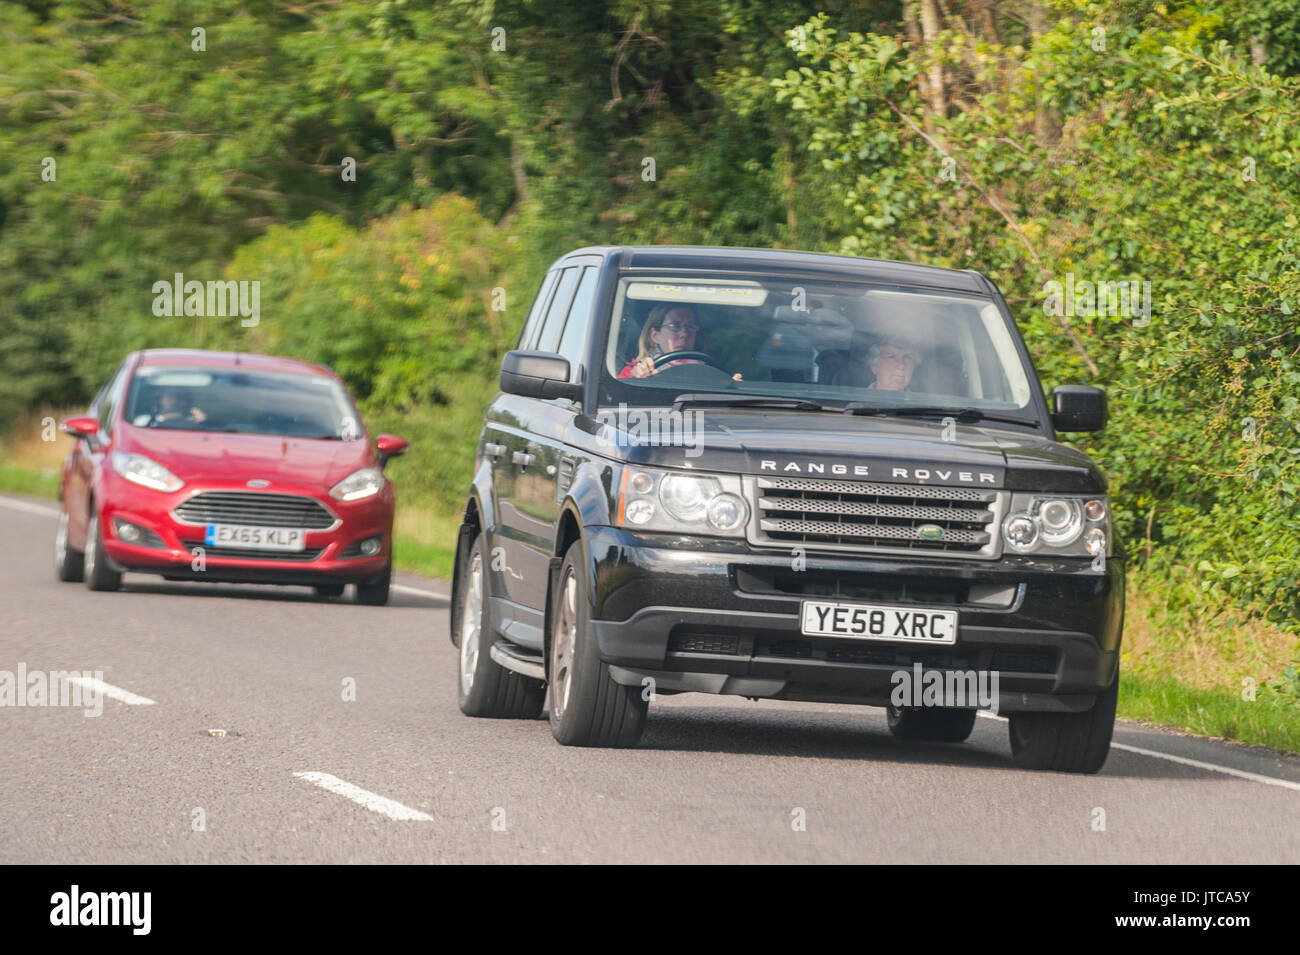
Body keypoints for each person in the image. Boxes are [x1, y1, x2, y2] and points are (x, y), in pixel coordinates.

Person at [618, 305, 742, 380]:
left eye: (690, 327)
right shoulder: (634, 371)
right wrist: (634, 380)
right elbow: (614, 403)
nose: (684, 334)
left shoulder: (713, 373)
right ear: (655, 335)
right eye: (675, 326)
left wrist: (731, 388)